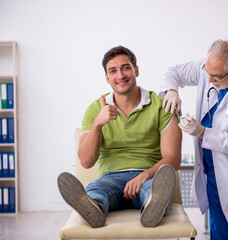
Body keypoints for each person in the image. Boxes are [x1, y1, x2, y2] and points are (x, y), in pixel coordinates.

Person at [57, 45, 182, 228]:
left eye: (125, 68)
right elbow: (86, 161)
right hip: (110, 179)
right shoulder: (95, 109)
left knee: (153, 191)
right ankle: (92, 208)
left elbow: (173, 158)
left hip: (148, 175)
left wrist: (144, 175)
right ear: (107, 78)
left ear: (136, 70)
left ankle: (153, 207)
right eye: (113, 71)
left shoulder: (162, 105)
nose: (120, 75)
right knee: (96, 190)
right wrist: (98, 124)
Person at [160, 40, 228, 240]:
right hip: (213, 174)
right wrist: (172, 91)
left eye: (216, 77)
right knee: (218, 232)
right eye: (207, 73)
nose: (208, 79)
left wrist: (202, 132)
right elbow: (173, 71)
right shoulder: (209, 68)